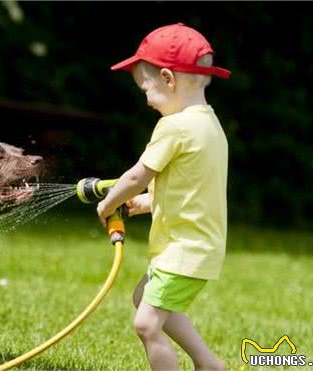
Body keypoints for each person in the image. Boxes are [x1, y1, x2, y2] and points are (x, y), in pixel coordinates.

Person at [97, 23, 230, 371]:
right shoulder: (210, 125)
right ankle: (209, 364)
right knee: (144, 298)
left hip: (184, 249)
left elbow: (137, 175)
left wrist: (109, 203)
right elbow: (188, 184)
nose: (146, 99)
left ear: (169, 79)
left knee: (147, 323)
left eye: (147, 89)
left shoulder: (174, 127)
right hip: (197, 246)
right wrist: (145, 203)